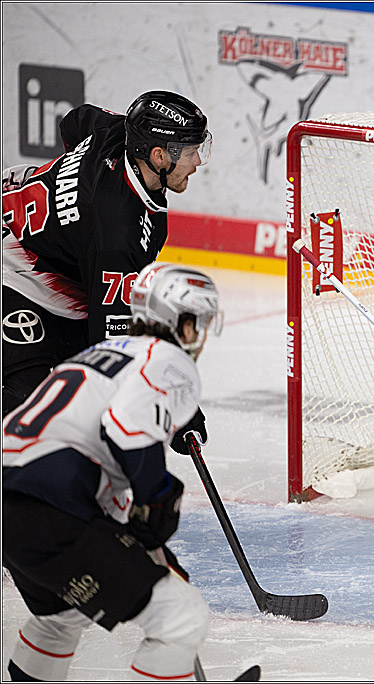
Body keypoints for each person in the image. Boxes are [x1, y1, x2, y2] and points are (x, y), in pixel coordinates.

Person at [2, 262, 223, 681]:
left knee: (62, 617)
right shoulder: (167, 360)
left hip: (13, 506)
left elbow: (98, 457)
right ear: (184, 324)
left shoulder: (100, 354)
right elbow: (127, 430)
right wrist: (156, 497)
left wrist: (144, 529)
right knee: (182, 618)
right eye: (200, 323)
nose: (201, 336)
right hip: (48, 509)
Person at [2, 89, 212, 448]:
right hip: (13, 262)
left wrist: (72, 198)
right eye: (191, 153)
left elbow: (76, 120)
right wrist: (175, 408)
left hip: (32, 224)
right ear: (160, 156)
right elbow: (113, 349)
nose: (198, 162)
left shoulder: (121, 133)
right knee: (32, 409)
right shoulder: (117, 235)